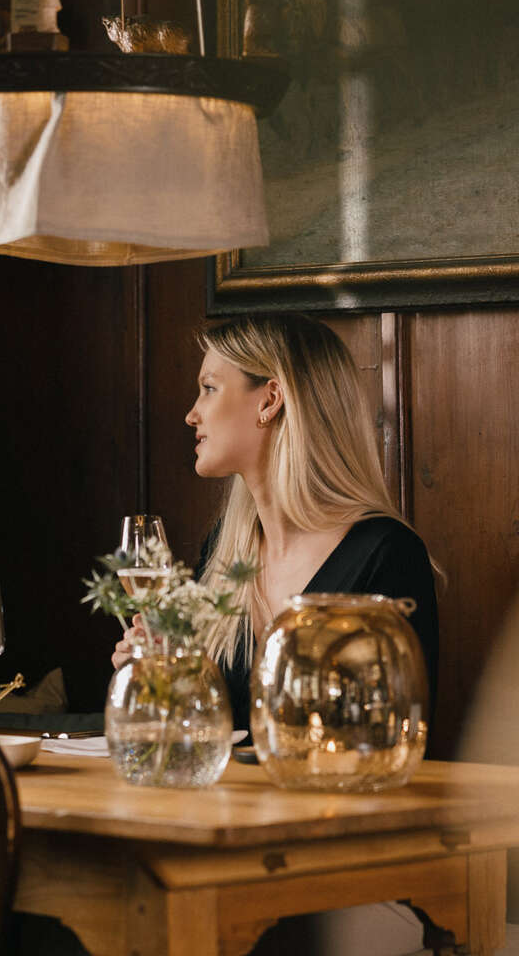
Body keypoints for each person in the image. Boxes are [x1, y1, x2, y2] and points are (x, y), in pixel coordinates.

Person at [112, 312, 441, 956]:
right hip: (222, 850)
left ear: (271, 397)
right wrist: (167, 680)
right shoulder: (225, 551)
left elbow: (388, 751)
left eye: (209, 388)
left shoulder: (384, 553)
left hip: (343, 866)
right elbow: (206, 733)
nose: (190, 413)